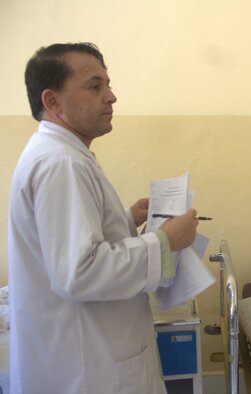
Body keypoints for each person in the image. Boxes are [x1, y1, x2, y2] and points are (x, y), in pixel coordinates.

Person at [8, 43, 199, 394]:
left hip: (88, 356)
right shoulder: (61, 163)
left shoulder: (64, 154)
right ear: (53, 101)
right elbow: (79, 273)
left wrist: (127, 219)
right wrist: (166, 240)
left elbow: (74, 244)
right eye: (95, 86)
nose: (111, 96)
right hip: (87, 369)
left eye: (108, 84)